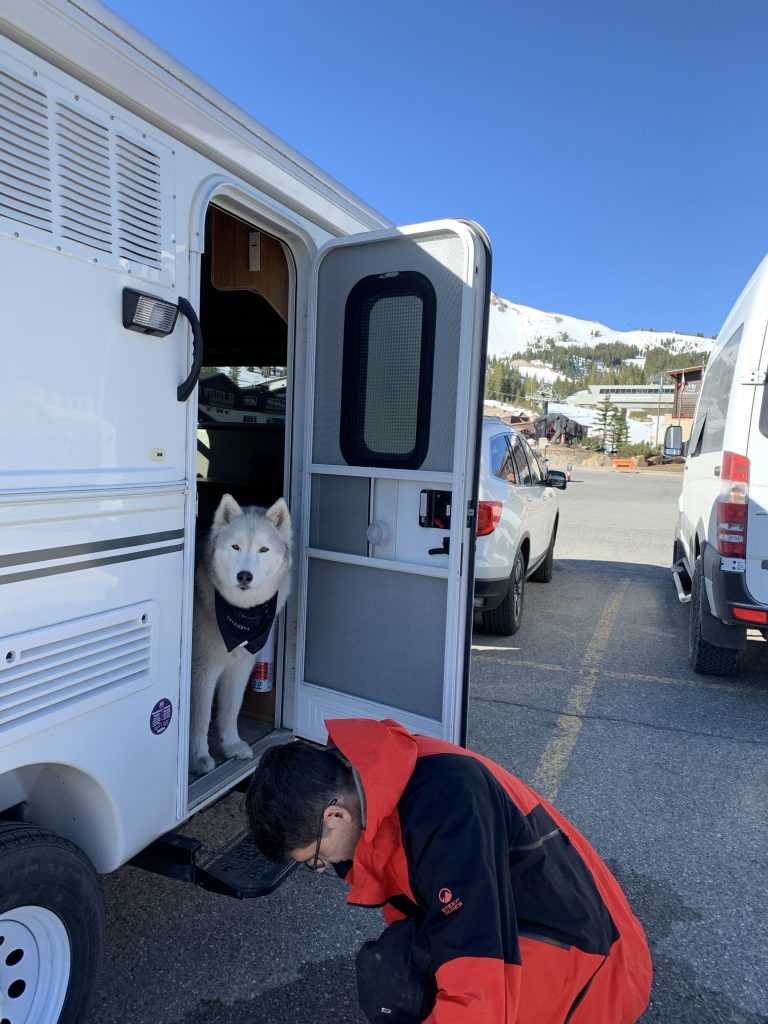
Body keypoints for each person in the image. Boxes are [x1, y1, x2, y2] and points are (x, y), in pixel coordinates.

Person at [246, 718, 652, 1023]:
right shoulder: (375, 780)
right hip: (526, 922)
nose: (322, 868)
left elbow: (477, 971)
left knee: (418, 986)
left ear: (335, 816)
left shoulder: (446, 806)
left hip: (588, 966)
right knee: (396, 972)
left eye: (315, 858)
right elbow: (418, 917)